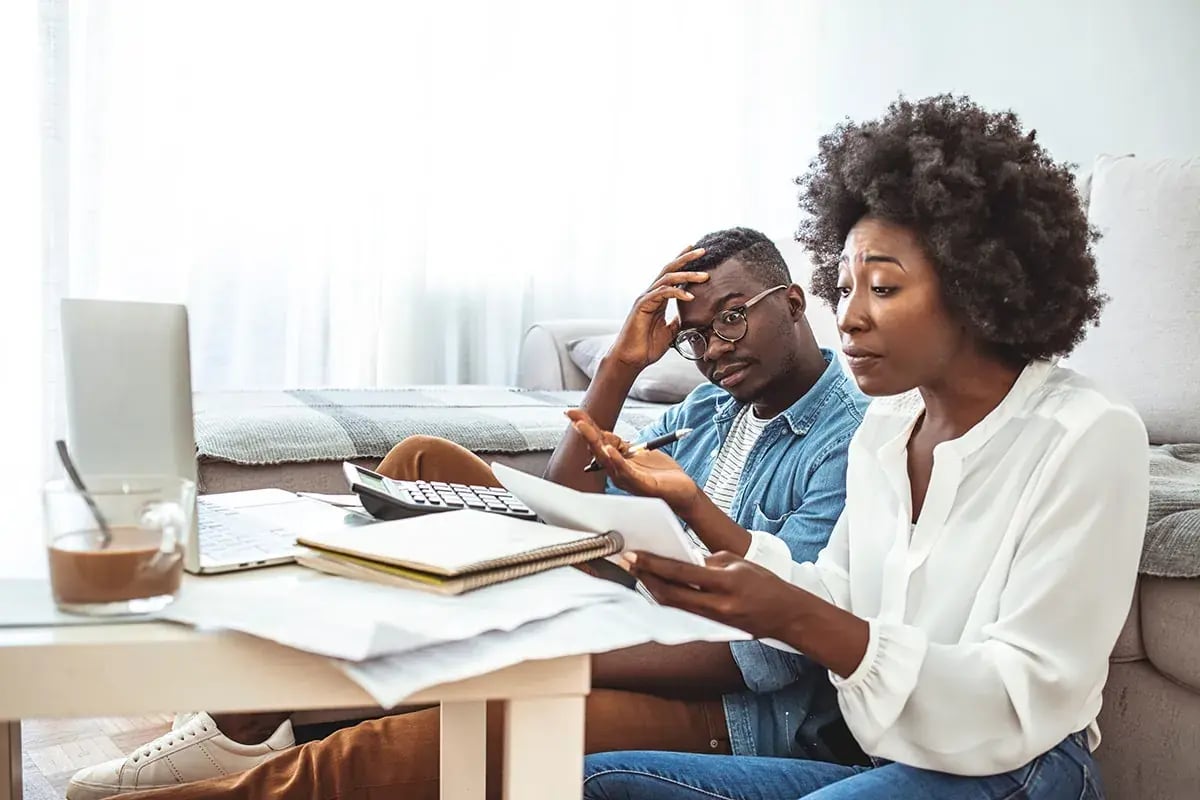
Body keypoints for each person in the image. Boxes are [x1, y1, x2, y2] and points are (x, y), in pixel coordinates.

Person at [68, 226, 869, 800]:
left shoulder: (848, 438)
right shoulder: (710, 409)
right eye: (696, 337)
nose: (718, 347)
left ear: (795, 302)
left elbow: (772, 656)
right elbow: (570, 500)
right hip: (623, 607)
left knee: (412, 739)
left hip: (719, 701)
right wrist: (621, 368)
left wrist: (548, 656)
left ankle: (250, 769)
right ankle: (248, 718)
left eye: (733, 316)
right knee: (420, 463)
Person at [576, 94, 1149, 799]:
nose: (847, 316)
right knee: (593, 784)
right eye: (844, 287)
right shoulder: (888, 426)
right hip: (880, 760)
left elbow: (1012, 700)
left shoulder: (1087, 434)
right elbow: (839, 591)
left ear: (976, 282)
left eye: (882, 287)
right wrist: (697, 510)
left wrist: (787, 612)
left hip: (1021, 766)